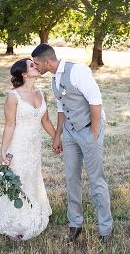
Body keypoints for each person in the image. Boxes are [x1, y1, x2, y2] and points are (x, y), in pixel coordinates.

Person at [31, 43, 113, 243]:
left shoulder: (78, 71)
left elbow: (95, 101)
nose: (35, 67)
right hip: (69, 132)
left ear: (48, 62)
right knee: (71, 178)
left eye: (36, 64)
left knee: (96, 180)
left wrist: (93, 132)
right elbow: (61, 108)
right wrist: (58, 135)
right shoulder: (53, 78)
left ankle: (105, 228)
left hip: (88, 130)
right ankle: (75, 223)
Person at [0, 58, 55, 241]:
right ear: (24, 74)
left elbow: (45, 121)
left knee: (32, 177)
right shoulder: (13, 97)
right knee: (19, 179)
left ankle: (32, 209)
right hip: (19, 145)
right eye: (32, 65)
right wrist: (3, 150)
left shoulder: (41, 93)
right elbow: (9, 125)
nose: (36, 66)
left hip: (34, 146)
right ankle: (13, 221)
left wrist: (57, 137)